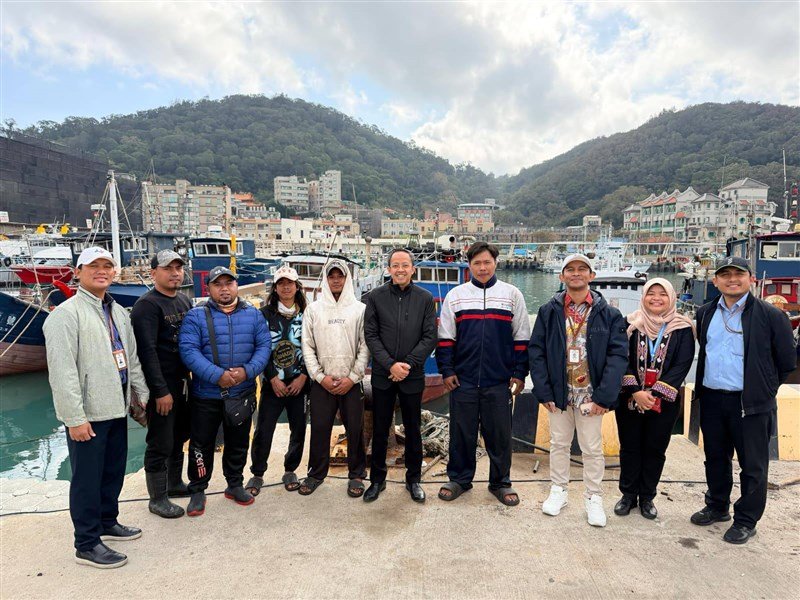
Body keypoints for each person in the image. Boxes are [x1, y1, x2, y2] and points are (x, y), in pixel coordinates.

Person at [43, 247, 150, 569]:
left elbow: (130, 358)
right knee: (87, 479)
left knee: (113, 471)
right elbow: (62, 372)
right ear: (78, 272)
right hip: (88, 413)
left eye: (108, 266)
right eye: (93, 266)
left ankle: (107, 521)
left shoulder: (118, 312)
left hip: (115, 406)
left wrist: (139, 394)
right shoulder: (65, 315)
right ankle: (87, 543)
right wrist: (74, 418)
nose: (102, 271)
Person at [690, 256, 796, 544]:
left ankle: (747, 520)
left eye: (738, 273)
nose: (732, 279)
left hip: (749, 403)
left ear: (751, 278)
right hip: (712, 398)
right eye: (725, 274)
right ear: (715, 281)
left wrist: (762, 390)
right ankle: (716, 505)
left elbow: (787, 361)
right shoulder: (706, 312)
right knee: (715, 458)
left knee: (753, 465)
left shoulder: (771, 316)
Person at [529, 253, 628, 527]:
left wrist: (604, 397)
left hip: (591, 396)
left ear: (591, 276)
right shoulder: (549, 311)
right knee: (558, 444)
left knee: (592, 448)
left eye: (582, 269)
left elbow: (617, 356)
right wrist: (544, 392)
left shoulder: (609, 314)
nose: (576, 274)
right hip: (560, 393)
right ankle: (558, 491)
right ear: (562, 276)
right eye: (570, 270)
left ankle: (593, 497)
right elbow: (536, 351)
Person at [436, 241, 531, 506]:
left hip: (499, 380)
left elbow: (522, 338)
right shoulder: (456, 296)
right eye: (476, 263)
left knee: (499, 435)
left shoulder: (512, 295)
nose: (482, 267)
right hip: (462, 379)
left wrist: (519, 373)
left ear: (495, 263)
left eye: (487, 262)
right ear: (469, 266)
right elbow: (445, 339)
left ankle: (500, 482)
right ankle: (459, 479)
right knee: (461, 432)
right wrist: (447, 371)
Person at [178, 266, 270, 516]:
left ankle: (234, 483)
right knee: (200, 445)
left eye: (229, 283)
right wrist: (216, 375)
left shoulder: (254, 315)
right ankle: (198, 489)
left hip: (242, 392)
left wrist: (247, 371)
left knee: (238, 442)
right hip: (205, 395)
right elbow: (188, 351)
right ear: (209, 288)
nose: (225, 288)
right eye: (218, 284)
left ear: (236, 286)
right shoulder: (196, 316)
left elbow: (263, 347)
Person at [616, 278, 695, 519]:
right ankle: (628, 494)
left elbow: (682, 364)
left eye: (663, 294)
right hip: (630, 399)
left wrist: (655, 393)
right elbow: (620, 357)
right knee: (629, 447)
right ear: (644, 296)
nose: (656, 298)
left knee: (655, 449)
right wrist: (635, 391)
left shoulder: (682, 328)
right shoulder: (629, 324)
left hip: (665, 403)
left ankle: (647, 496)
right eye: (652, 293)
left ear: (671, 298)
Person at [363, 249, 437, 503]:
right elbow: (371, 335)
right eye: (395, 265)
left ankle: (413, 479)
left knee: (414, 430)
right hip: (384, 376)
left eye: (405, 265)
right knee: (381, 430)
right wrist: (390, 365)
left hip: (413, 376)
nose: (400, 270)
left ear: (412, 268)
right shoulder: (375, 297)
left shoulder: (425, 298)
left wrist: (407, 364)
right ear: (389, 269)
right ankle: (377, 480)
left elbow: (430, 336)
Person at [299, 259, 370, 497]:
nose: (336, 280)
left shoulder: (360, 309)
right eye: (332, 276)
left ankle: (357, 474)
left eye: (340, 276)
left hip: (351, 383)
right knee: (319, 427)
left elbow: (365, 347)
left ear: (347, 279)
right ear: (326, 280)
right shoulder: (314, 309)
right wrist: (319, 377)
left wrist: (352, 377)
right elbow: (307, 346)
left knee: (355, 429)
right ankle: (316, 473)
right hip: (322, 382)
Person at [130, 250, 192, 519]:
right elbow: (147, 352)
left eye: (178, 267)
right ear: (154, 272)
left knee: (179, 436)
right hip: (162, 386)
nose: (175, 273)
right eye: (168, 268)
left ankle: (174, 483)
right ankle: (157, 498)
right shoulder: (147, 306)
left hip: (183, 383)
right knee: (160, 441)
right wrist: (160, 391)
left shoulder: (184, 301)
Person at [245, 266, 309, 496]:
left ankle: (290, 469)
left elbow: (313, 348)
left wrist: (303, 376)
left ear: (297, 286)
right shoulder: (263, 315)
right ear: (275, 287)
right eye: (281, 283)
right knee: (263, 429)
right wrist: (272, 377)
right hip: (274, 384)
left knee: (299, 429)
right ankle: (257, 473)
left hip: (299, 383)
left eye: (290, 282)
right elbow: (260, 349)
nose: (286, 287)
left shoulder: (308, 314)